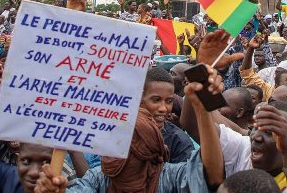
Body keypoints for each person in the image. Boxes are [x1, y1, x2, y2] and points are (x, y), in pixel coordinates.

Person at [35, 64, 227, 192]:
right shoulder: (99, 180)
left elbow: (212, 173)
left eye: (125, 147)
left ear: (150, 156)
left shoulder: (169, 179)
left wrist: (202, 110)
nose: (110, 155)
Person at [141, 67, 193, 164]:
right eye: (156, 100)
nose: (163, 109)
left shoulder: (179, 142)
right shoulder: (122, 133)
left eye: (169, 101)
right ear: (140, 99)